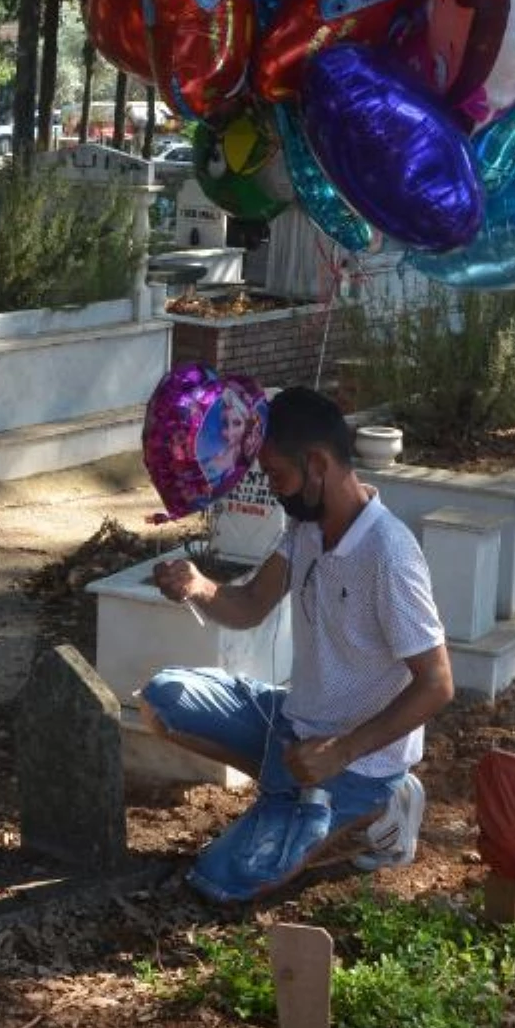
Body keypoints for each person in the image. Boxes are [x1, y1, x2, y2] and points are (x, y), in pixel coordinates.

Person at [141, 385, 453, 902]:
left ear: (317, 465)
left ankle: (385, 803)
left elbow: (437, 684)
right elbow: (250, 605)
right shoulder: (307, 527)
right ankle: (285, 792)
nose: (273, 489)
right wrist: (198, 586)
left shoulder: (389, 556)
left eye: (276, 476)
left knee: (222, 882)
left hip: (356, 759)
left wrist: (343, 752)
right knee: (163, 700)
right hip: (292, 721)